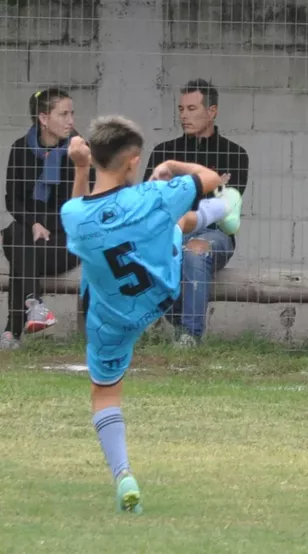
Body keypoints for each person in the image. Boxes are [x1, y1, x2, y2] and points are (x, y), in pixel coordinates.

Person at [60, 116, 240, 513]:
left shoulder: (72, 214)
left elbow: (79, 205)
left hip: (111, 316)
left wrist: (80, 168)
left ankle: (123, 475)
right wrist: (173, 167)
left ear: (95, 155)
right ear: (133, 161)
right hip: (160, 293)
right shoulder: (153, 194)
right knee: (169, 223)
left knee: (105, 394)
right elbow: (209, 175)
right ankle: (224, 209)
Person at [144, 79, 248, 347]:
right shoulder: (163, 151)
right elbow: (151, 202)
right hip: (170, 231)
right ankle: (176, 323)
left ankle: (190, 336)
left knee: (195, 249)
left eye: (192, 108)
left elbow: (223, 209)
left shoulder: (235, 154)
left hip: (214, 235)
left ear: (211, 111)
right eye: (181, 109)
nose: (184, 115)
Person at [1, 88, 91, 350]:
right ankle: (34, 304)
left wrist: (42, 224)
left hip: (66, 240)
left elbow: (79, 206)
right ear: (43, 118)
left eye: (71, 113)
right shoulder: (20, 148)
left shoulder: (80, 151)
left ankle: (12, 331)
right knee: (17, 233)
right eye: (63, 114)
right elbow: (12, 200)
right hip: (30, 237)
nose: (70, 121)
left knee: (18, 247)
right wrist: (33, 224)